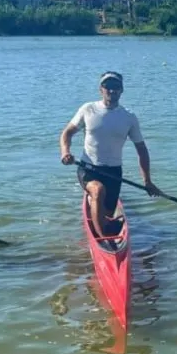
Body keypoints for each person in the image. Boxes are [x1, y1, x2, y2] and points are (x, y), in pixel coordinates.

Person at [60, 71, 161, 239]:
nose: (112, 91)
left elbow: (142, 150)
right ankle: (105, 238)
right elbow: (67, 133)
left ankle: (99, 212)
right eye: (108, 86)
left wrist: (148, 181)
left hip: (114, 173)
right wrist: (65, 152)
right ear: (101, 89)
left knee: (105, 210)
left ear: (122, 90)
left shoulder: (129, 117)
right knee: (98, 190)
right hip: (88, 169)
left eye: (116, 87)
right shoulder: (88, 109)